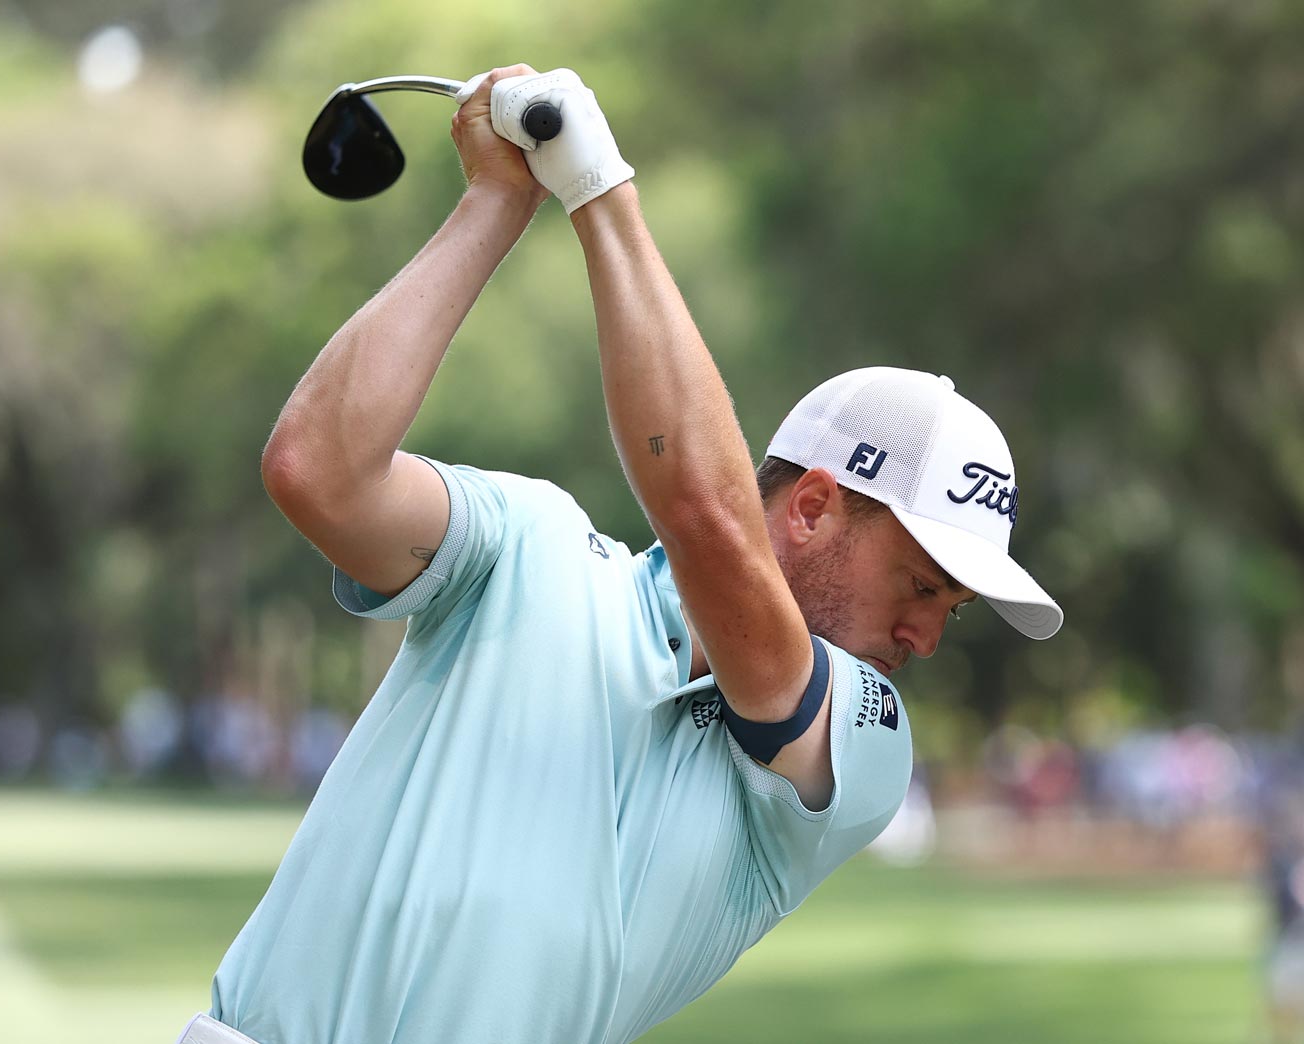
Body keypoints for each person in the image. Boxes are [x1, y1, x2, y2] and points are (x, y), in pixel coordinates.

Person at [176, 64, 1062, 1044]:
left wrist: (598, 186)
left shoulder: (860, 750)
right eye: (922, 585)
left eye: (953, 610)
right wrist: (495, 200)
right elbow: (318, 470)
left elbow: (706, 519)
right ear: (812, 507)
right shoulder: (522, 545)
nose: (927, 637)